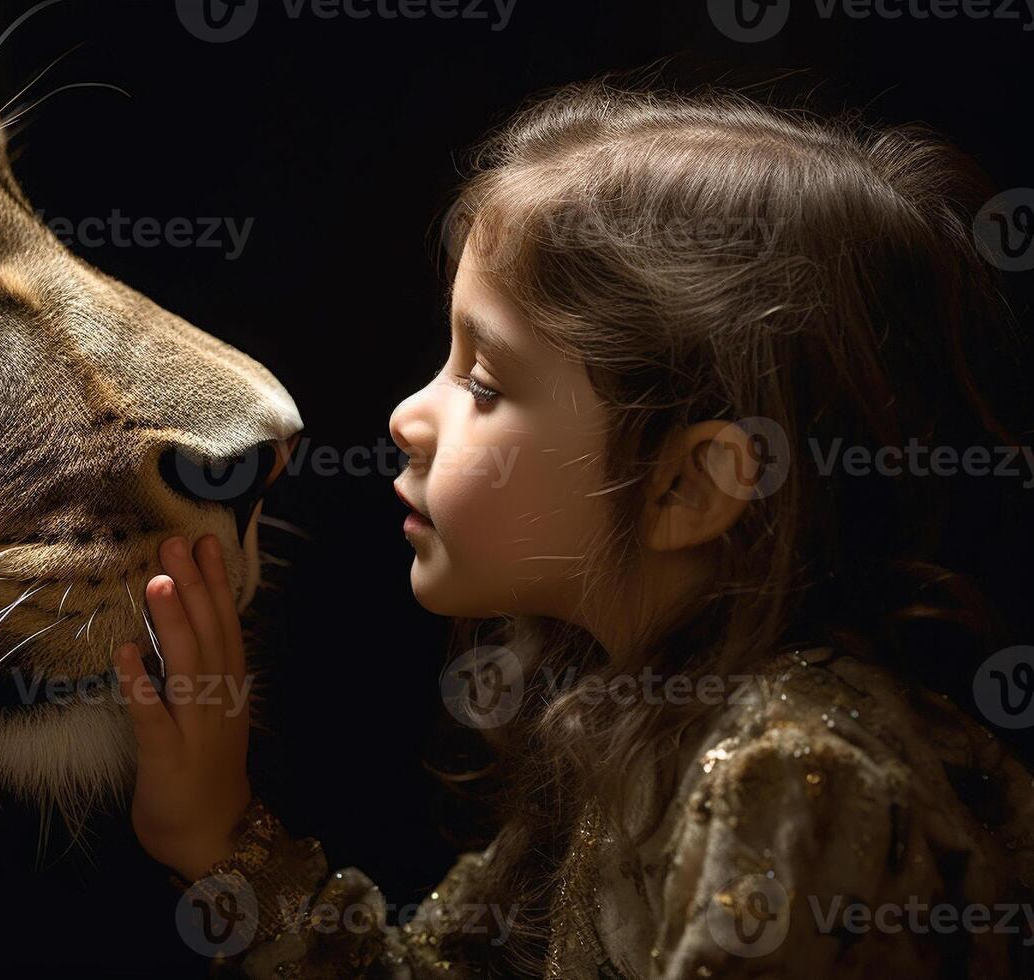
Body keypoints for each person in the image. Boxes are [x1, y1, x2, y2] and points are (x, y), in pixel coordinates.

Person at [112, 81, 1034, 978]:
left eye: (483, 383)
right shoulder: (630, 717)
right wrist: (218, 833)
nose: (404, 415)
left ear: (685, 486)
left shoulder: (791, 779)